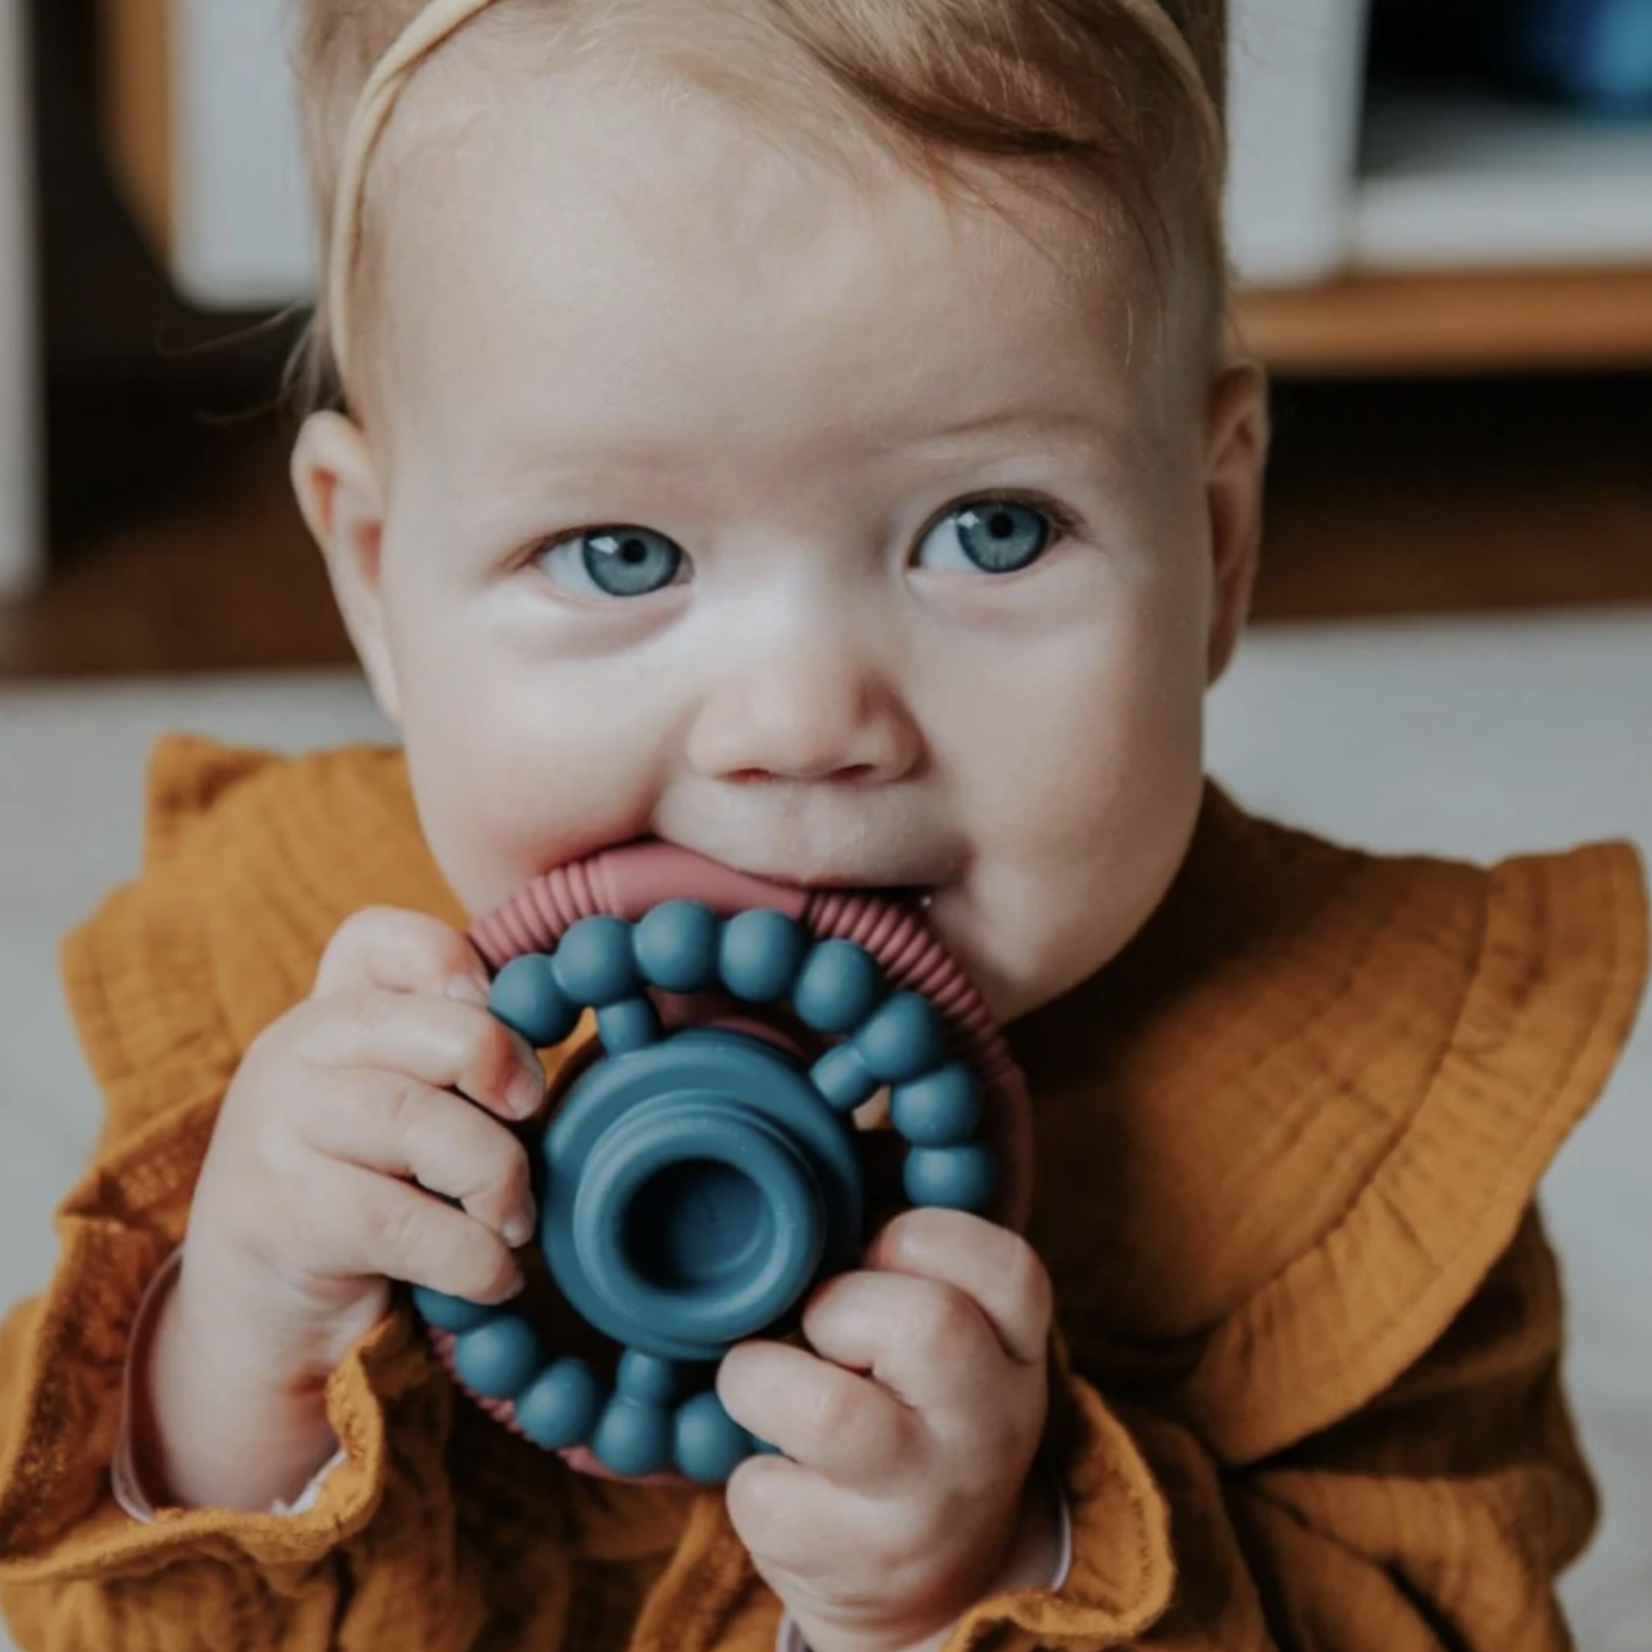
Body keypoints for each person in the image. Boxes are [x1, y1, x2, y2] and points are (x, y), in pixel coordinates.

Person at [0, 1, 1645, 1647]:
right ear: (377, 578)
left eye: (990, 529)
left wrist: (991, 1573)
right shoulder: (294, 1034)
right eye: (620, 553)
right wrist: (231, 1359)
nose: (802, 724)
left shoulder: (1372, 1120)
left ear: (1215, 543)